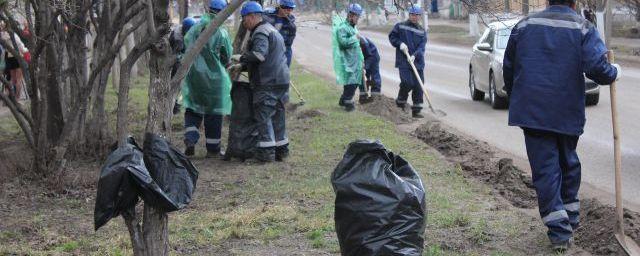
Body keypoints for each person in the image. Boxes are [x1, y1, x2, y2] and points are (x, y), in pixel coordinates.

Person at [503, 0, 621, 251]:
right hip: (566, 112)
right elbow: (596, 68)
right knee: (569, 164)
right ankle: (566, 225)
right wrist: (613, 72)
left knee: (546, 169)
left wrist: (518, 97)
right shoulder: (583, 28)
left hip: (533, 112)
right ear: (574, 2)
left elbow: (509, 67)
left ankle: (562, 228)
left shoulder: (525, 25)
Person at [234, 1, 291, 162]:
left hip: (267, 82)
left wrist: (241, 58)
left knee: (263, 116)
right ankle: (281, 150)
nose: (244, 22)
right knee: (278, 116)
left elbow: (259, 55)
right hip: (281, 80)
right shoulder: (271, 29)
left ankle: (266, 155)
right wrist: (243, 66)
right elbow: (269, 57)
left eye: (244, 18)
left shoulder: (260, 32)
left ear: (252, 16)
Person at [181, 0, 233, 158]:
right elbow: (227, 56)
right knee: (214, 114)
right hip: (215, 80)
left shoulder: (194, 28)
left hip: (194, 77)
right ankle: (213, 149)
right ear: (223, 12)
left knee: (193, 109)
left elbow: (185, 46)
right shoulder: (221, 32)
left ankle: (190, 139)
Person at [388, 5, 427, 118]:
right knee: (407, 82)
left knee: (419, 85)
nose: (414, 17)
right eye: (412, 15)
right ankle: (400, 102)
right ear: (409, 15)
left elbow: (421, 47)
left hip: (417, 62)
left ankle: (417, 109)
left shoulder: (422, 31)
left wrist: (414, 56)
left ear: (419, 16)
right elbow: (392, 37)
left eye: (416, 15)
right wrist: (400, 44)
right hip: (403, 60)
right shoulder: (400, 27)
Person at [332, 3, 364, 112]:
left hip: (355, 60)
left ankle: (343, 100)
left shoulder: (353, 27)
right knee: (351, 82)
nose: (357, 19)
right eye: (356, 16)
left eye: (358, 16)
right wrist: (354, 38)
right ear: (350, 15)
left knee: (354, 82)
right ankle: (348, 104)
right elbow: (343, 43)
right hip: (348, 61)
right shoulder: (342, 28)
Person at [170, 17, 197, 114]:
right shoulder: (177, 37)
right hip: (175, 60)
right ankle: (174, 105)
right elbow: (177, 53)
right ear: (185, 29)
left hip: (186, 57)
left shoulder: (192, 30)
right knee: (176, 82)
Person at [263, 0, 297, 67]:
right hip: (266, 50)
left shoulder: (291, 25)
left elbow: (288, 45)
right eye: (287, 9)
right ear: (280, 7)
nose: (289, 11)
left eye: (291, 9)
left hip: (282, 51)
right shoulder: (267, 15)